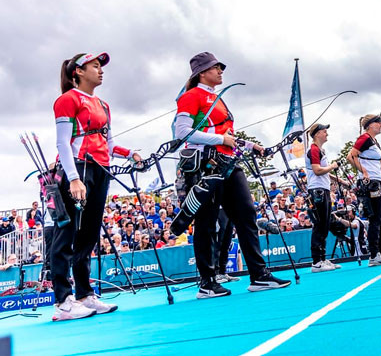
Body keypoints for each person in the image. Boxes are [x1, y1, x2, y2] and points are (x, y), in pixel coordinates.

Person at [171, 52, 289, 299]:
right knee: (206, 222)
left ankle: (259, 275)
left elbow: (227, 134)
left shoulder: (217, 98)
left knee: (246, 213)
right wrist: (220, 139)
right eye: (216, 67)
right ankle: (207, 282)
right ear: (202, 73)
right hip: (206, 165)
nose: (221, 71)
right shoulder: (190, 96)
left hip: (229, 162)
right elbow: (182, 132)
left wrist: (249, 146)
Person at [52, 52, 142, 321]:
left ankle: (84, 294)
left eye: (100, 67)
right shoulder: (67, 100)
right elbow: (62, 143)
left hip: (100, 170)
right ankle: (63, 302)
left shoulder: (103, 104)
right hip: (77, 168)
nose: (100, 71)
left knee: (88, 234)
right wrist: (73, 178)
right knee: (66, 234)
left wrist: (131, 154)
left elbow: (110, 145)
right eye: (94, 66)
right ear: (78, 72)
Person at [347, 114, 381, 266]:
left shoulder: (374, 141)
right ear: (370, 125)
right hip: (369, 184)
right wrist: (364, 172)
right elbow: (350, 156)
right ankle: (373, 255)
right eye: (378, 122)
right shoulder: (364, 138)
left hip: (377, 182)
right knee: (375, 219)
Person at [305, 123, 343, 273]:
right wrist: (333, 166)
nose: (326, 132)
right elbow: (317, 170)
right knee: (320, 225)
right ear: (316, 134)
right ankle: (317, 261)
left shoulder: (320, 150)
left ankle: (322, 258)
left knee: (324, 225)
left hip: (323, 189)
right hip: (317, 190)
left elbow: (323, 170)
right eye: (323, 130)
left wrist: (338, 180)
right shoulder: (313, 149)